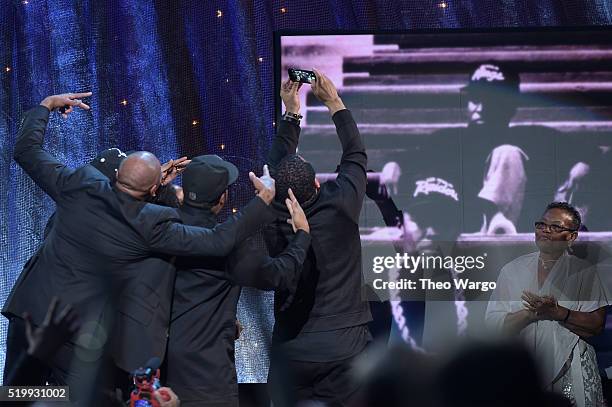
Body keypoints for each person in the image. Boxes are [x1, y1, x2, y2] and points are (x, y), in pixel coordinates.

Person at [6, 92, 275, 403]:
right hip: (76, 337)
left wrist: (46, 106)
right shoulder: (152, 223)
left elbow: (26, 150)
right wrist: (261, 202)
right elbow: (218, 241)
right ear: (152, 189)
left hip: (31, 313)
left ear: (118, 173)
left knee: (16, 394)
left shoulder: (78, 184)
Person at [165, 155, 312, 406]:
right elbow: (278, 274)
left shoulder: (161, 228)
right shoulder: (230, 249)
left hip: (168, 373)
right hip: (209, 380)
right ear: (222, 199)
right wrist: (301, 237)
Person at [265, 70, 372, 406]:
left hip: (292, 349)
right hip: (343, 348)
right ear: (315, 184)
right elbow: (355, 154)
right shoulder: (341, 204)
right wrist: (334, 103)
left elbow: (274, 168)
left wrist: (291, 113)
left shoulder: (269, 215)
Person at [486, 202, 608, 407]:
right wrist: (530, 313)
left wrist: (558, 312)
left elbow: (596, 325)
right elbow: (494, 327)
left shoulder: (585, 272)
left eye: (555, 227)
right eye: (541, 225)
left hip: (573, 367)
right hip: (526, 371)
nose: (545, 231)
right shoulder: (512, 270)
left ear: (571, 237)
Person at [421, 63, 557, 234]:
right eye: (475, 99)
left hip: (510, 238)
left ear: (511, 105)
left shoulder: (532, 137)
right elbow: (409, 161)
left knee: (507, 152)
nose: (480, 108)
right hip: (457, 234)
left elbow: (590, 152)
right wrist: (392, 164)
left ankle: (497, 226)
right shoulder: (445, 139)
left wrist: (582, 165)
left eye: (490, 100)